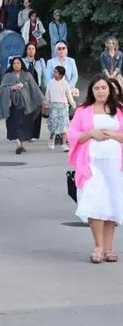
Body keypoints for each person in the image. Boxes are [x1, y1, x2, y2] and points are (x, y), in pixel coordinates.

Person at [68, 76, 123, 264]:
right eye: (97, 88)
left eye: (104, 88)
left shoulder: (119, 110)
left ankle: (109, 248)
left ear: (110, 90)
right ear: (92, 91)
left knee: (112, 203)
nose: (100, 91)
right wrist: (90, 133)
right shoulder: (83, 110)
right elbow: (72, 133)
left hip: (115, 164)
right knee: (95, 201)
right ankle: (98, 247)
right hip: (91, 164)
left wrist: (113, 134)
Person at [44, 66, 75, 151]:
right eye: (54, 72)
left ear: (61, 74)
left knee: (64, 126)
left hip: (63, 106)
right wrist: (47, 103)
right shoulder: (50, 83)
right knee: (53, 126)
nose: (54, 74)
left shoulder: (65, 83)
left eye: (56, 72)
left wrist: (73, 104)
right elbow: (47, 94)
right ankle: (51, 140)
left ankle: (64, 144)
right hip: (53, 106)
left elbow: (68, 95)